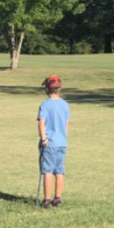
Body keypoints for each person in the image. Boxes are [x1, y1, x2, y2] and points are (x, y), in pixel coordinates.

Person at [37, 75, 70, 209]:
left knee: (48, 171)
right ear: (59, 88)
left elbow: (41, 123)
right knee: (60, 171)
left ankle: (47, 200)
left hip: (49, 142)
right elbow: (66, 124)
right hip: (62, 142)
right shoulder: (65, 104)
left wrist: (43, 138)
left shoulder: (45, 105)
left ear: (46, 88)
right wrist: (63, 137)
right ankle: (57, 198)